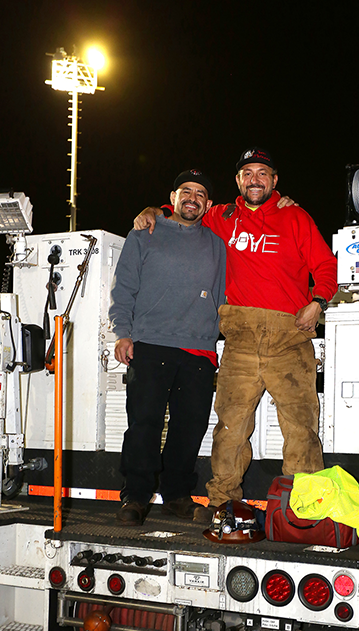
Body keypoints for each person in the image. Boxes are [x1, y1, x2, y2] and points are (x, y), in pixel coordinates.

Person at [134, 148, 337, 522]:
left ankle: (303, 509)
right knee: (230, 427)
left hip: (289, 338)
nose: (255, 179)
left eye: (262, 173)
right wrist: (154, 213)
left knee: (301, 425)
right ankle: (223, 502)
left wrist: (318, 301)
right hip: (240, 340)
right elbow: (185, 211)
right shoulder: (222, 216)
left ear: (275, 181)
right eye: (247, 173)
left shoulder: (296, 216)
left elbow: (326, 265)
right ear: (238, 181)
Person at [110, 169, 226, 525]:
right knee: (143, 424)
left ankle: (176, 495)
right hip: (150, 342)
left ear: (208, 204)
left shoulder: (216, 243)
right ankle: (136, 497)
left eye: (201, 194)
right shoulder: (144, 232)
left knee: (189, 427)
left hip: (199, 349)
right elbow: (124, 287)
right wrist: (123, 332)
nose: (193, 198)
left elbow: (221, 294)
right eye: (186, 191)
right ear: (172, 196)